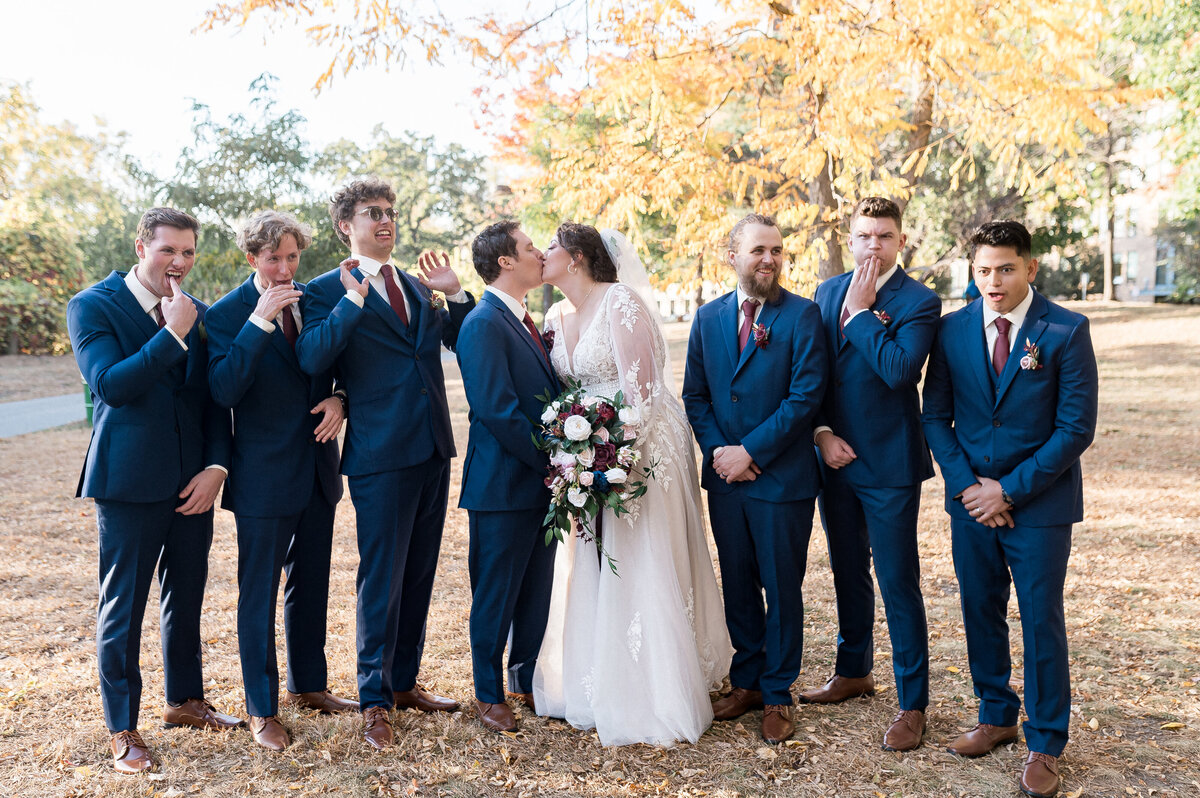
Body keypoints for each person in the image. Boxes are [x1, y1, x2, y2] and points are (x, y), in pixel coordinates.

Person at [533, 222, 732, 746]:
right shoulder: (554, 314)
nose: (540, 253)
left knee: (642, 556)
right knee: (592, 561)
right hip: (588, 450)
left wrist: (610, 456)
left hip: (640, 448)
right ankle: (598, 676)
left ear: (575, 257)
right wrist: (576, 456)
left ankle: (656, 688)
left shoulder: (620, 302)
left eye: (549, 247)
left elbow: (640, 394)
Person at [294, 178, 475, 750]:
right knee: (382, 578)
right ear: (345, 225)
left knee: (420, 571)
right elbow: (313, 356)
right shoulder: (324, 290)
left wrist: (457, 294)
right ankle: (373, 701)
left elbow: (463, 341)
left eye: (390, 212)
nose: (385, 220)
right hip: (378, 454)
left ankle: (402, 683)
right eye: (372, 213)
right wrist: (352, 302)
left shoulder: (419, 289)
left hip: (433, 447)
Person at [922, 220, 1098, 798]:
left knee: (1040, 618)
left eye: (1004, 269)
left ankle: (1046, 740)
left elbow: (1075, 429)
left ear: (1030, 268)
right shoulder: (951, 330)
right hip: (971, 503)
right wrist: (970, 486)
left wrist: (1010, 490)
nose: (992, 282)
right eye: (982, 271)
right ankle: (995, 714)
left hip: (1040, 506)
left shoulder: (1066, 331)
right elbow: (935, 417)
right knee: (979, 607)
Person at [67, 207, 241, 775]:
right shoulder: (93, 306)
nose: (180, 263)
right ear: (142, 244)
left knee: (186, 594)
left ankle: (184, 701)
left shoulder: (200, 312)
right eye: (169, 250)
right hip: (128, 481)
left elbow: (213, 397)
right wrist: (172, 333)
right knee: (124, 605)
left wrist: (216, 466)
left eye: (188, 252)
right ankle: (122, 727)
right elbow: (111, 386)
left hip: (193, 481)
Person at [206, 210, 358, 752]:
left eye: (293, 257)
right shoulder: (225, 315)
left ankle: (309, 684)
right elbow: (223, 391)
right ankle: (261, 709)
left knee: (311, 582)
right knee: (258, 593)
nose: (286, 268)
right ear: (253, 258)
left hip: (317, 465)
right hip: (263, 476)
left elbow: (338, 362)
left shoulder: (312, 299)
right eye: (274, 258)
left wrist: (341, 399)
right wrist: (259, 322)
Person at [800, 197, 941, 751]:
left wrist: (860, 315)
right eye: (864, 236)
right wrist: (821, 434)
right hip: (833, 458)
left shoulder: (921, 302)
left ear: (900, 242)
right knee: (846, 569)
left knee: (897, 579)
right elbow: (810, 373)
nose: (873, 246)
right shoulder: (825, 292)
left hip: (889, 465)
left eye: (884, 236)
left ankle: (912, 704)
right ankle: (853, 668)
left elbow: (899, 371)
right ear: (851, 238)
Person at [682, 213, 827, 744]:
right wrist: (721, 451)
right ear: (733, 256)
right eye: (758, 250)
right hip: (725, 478)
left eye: (777, 250)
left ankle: (778, 691)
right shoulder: (707, 317)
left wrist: (753, 451)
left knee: (781, 584)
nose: (769, 259)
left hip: (780, 478)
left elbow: (805, 397)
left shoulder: (803, 315)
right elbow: (695, 395)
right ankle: (746, 680)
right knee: (738, 580)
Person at [455, 221, 560, 733]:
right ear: (506, 263)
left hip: (540, 482)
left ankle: (523, 679)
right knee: (496, 592)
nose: (540, 253)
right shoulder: (482, 323)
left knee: (535, 589)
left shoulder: (524, 318)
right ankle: (487, 692)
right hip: (502, 483)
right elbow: (497, 410)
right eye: (529, 247)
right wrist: (554, 462)